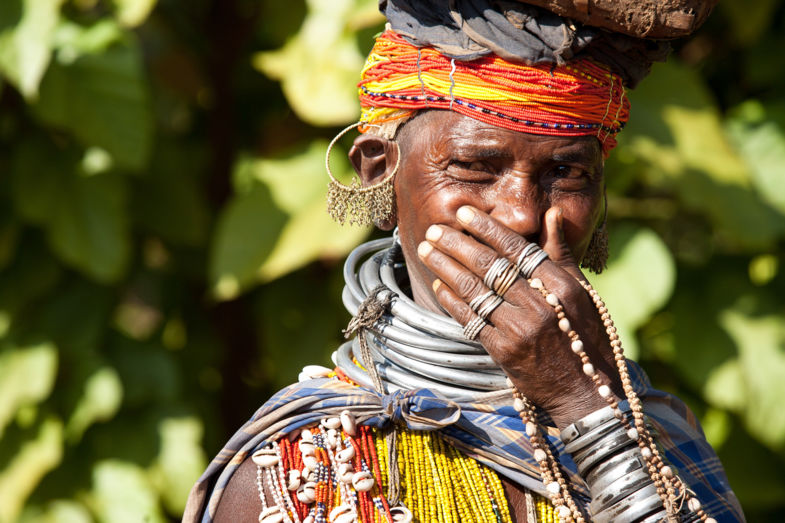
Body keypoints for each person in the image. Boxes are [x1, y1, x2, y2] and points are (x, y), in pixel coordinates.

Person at [185, 2, 744, 522]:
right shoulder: (307, 471)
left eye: (567, 173)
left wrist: (583, 404)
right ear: (379, 171)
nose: (523, 215)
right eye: (475, 166)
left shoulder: (658, 429)